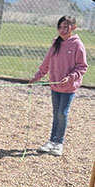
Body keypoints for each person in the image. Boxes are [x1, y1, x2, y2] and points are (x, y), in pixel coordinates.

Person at [29, 15, 87, 156]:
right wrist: (37, 77)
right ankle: (51, 141)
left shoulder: (77, 44)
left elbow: (82, 67)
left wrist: (70, 78)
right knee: (56, 114)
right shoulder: (56, 43)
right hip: (55, 86)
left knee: (62, 113)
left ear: (73, 27)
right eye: (60, 27)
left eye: (66, 26)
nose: (62, 30)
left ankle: (59, 143)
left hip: (69, 87)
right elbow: (46, 63)